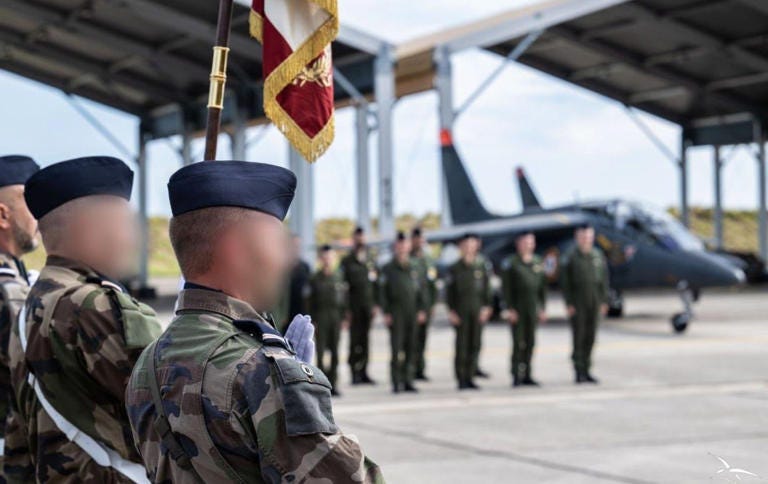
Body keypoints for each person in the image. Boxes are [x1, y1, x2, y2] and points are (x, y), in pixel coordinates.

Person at [126, 161, 383, 483]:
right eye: (278, 243)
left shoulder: (147, 362)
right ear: (236, 249)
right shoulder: (256, 369)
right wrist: (294, 388)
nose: (288, 259)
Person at [10, 156, 162, 482]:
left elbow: (17, 434)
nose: (134, 239)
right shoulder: (94, 305)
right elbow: (177, 410)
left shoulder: (33, 300)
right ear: (90, 229)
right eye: (125, 225)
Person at [0, 155, 39, 479]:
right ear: (3, 214)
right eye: (31, 202)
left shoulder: (18, 278)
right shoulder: (7, 290)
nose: (40, 214)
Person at [560, 223, 609, 384]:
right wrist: (569, 303)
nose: (586, 239)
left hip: (594, 301)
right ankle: (578, 370)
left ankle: (587, 369)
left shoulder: (597, 255)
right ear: (577, 237)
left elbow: (603, 280)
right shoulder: (570, 256)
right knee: (579, 337)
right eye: (583, 236)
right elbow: (565, 283)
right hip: (578, 302)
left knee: (591, 337)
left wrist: (604, 301)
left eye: (589, 236)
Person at [379, 232, 426, 394]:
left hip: (412, 312)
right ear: (395, 247)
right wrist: (386, 312)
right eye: (399, 245)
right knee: (396, 349)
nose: (402, 248)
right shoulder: (388, 268)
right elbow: (382, 292)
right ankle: (396, 381)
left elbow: (421, 290)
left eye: (405, 245)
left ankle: (408, 380)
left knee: (411, 347)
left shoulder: (416, 266)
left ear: (408, 247)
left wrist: (422, 309)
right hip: (396, 312)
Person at [446, 233, 492, 390]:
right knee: (462, 346)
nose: (469, 247)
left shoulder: (482, 266)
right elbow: (449, 292)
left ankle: (471, 376)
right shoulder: (455, 268)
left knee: (475, 344)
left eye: (472, 244)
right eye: (465, 245)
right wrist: (451, 311)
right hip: (461, 312)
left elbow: (487, 289)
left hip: (477, 311)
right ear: (460, 247)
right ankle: (461, 378)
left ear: (477, 246)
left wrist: (487, 307)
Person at [501, 231, 547, 387]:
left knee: (530, 342)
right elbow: (506, 289)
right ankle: (516, 375)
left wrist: (542, 309)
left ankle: (527, 374)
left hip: (532, 308)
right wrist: (509, 309)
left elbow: (542, 288)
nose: (528, 245)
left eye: (531, 242)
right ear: (518, 244)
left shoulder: (537, 262)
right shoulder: (511, 263)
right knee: (518, 343)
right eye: (525, 242)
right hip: (518, 309)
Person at [306, 244, 347, 396]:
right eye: (325, 257)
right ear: (321, 259)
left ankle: (334, 383)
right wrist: (312, 319)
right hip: (321, 317)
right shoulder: (315, 278)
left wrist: (344, 317)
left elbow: (344, 299)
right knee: (321, 352)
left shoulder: (339, 277)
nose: (327, 260)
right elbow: (309, 301)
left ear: (334, 259)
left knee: (336, 352)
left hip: (335, 317)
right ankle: (322, 385)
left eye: (330, 257)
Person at [340, 226, 378, 385]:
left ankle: (364, 372)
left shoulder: (370, 260)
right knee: (354, 341)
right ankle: (354, 372)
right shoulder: (347, 261)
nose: (360, 240)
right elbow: (342, 288)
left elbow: (376, 285)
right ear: (353, 240)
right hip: (353, 308)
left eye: (362, 237)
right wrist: (345, 310)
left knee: (365, 340)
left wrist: (376, 304)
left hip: (367, 308)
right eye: (357, 237)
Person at [410, 227, 437, 381]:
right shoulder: (409, 259)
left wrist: (432, 305)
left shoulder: (428, 260)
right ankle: (411, 369)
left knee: (422, 340)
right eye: (417, 239)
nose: (420, 242)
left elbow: (432, 285)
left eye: (422, 239)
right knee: (412, 340)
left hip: (426, 307)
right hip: (413, 308)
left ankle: (420, 369)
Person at [287, 234, 311, 321]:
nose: (296, 248)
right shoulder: (282, 267)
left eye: (298, 246)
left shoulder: (305, 267)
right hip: (286, 313)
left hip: (301, 312)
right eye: (294, 245)